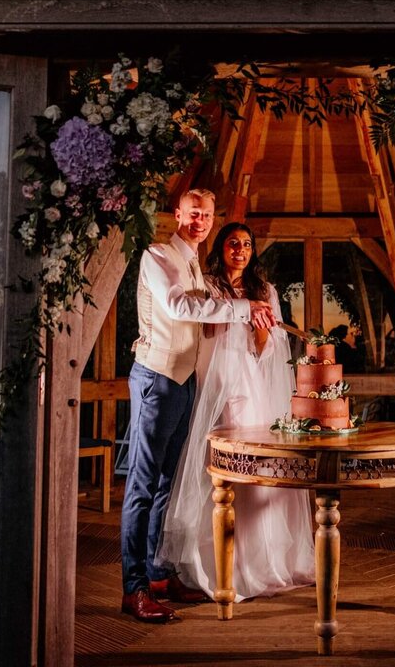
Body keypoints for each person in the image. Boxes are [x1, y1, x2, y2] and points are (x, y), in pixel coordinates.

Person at [121, 189, 278, 624]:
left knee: (166, 484)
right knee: (141, 486)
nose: (200, 221)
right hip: (157, 377)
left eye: (206, 215)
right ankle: (132, 588)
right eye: (193, 214)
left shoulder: (192, 260)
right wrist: (244, 307)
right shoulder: (158, 255)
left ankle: (157, 576)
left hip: (185, 381)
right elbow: (177, 305)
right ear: (178, 215)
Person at [158, 222, 314, 601]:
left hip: (257, 387)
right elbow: (205, 331)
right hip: (220, 385)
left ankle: (262, 560)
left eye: (246, 244)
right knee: (224, 468)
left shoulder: (266, 290)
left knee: (260, 469)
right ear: (221, 248)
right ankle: (220, 560)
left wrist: (263, 329)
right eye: (233, 243)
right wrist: (242, 314)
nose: (240, 250)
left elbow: (271, 347)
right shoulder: (209, 285)